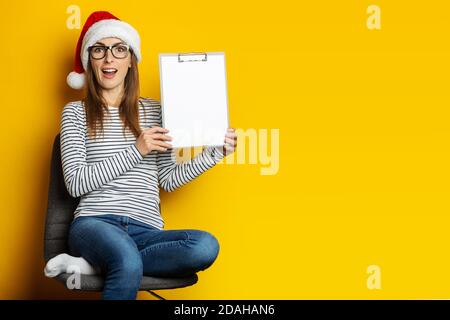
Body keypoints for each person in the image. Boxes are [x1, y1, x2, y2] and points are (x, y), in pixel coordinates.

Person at [44, 11, 237, 300]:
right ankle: (108, 259)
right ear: (89, 61)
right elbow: (75, 183)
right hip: (95, 223)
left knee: (204, 246)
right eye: (100, 50)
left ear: (131, 59)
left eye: (119, 49)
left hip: (146, 230)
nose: (109, 58)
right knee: (125, 257)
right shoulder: (75, 114)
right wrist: (137, 150)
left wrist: (215, 152)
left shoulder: (156, 111)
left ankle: (95, 265)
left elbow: (169, 180)